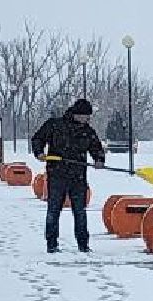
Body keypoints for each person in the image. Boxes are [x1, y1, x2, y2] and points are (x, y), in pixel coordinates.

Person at [29, 97, 108, 253]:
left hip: (78, 177)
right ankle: (51, 244)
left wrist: (99, 159)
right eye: (85, 116)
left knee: (80, 211)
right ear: (76, 114)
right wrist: (38, 152)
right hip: (56, 174)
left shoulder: (87, 131)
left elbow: (96, 147)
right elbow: (38, 138)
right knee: (54, 209)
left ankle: (83, 244)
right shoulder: (55, 125)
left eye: (88, 117)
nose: (87, 119)